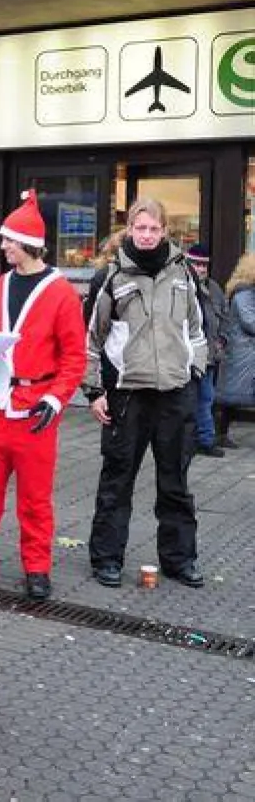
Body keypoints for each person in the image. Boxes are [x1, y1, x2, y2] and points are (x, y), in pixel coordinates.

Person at [83, 198, 207, 589]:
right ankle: (107, 559)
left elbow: (197, 329)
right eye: (141, 228)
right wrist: (93, 391)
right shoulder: (111, 276)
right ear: (130, 229)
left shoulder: (184, 272)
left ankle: (179, 561)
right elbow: (90, 340)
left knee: (176, 483)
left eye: (155, 229)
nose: (148, 235)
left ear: (165, 231)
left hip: (175, 393)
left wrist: (195, 372)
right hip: (127, 396)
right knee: (117, 481)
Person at [0, 191, 86, 601]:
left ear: (28, 244)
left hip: (37, 411)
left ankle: (37, 569)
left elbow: (74, 357)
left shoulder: (61, 293)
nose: (2, 247)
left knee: (35, 501)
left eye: (8, 241)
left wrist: (55, 400)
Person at [185, 244, 228, 457]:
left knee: (206, 398)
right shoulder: (183, 286)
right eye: (196, 264)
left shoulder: (214, 288)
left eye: (204, 265)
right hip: (188, 356)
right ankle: (197, 440)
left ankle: (204, 440)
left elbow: (226, 317)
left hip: (210, 355)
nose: (201, 269)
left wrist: (223, 339)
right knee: (192, 399)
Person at [216, 253, 255, 445]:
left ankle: (218, 432)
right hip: (243, 353)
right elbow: (251, 322)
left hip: (247, 353)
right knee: (229, 397)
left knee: (232, 396)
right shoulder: (244, 295)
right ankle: (217, 432)